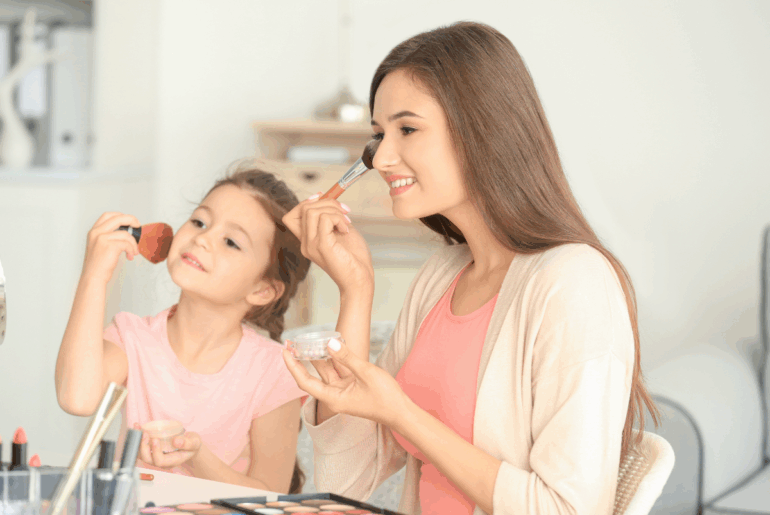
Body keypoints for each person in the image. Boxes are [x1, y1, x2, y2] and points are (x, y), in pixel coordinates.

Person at [280, 21, 659, 515]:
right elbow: (342, 482)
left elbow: (569, 509)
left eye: (408, 129)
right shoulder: (443, 274)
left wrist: (405, 416)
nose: (383, 157)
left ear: (484, 127)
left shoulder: (574, 284)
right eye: (378, 135)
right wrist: (356, 288)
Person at [55, 163, 311, 494]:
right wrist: (94, 276)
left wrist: (196, 457)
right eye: (199, 222)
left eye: (231, 242)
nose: (202, 238)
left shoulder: (276, 371)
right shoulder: (133, 338)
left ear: (262, 289)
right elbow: (77, 399)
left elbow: (270, 500)